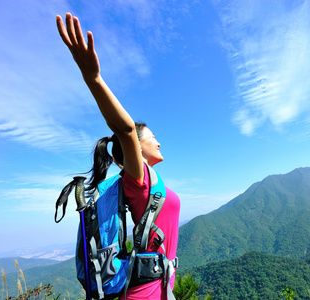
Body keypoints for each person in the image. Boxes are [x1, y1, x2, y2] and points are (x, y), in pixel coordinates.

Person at [56, 13, 180, 300]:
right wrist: (94, 79)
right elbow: (125, 130)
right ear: (135, 149)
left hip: (153, 290)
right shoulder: (139, 181)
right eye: (152, 137)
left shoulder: (144, 184)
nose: (159, 143)